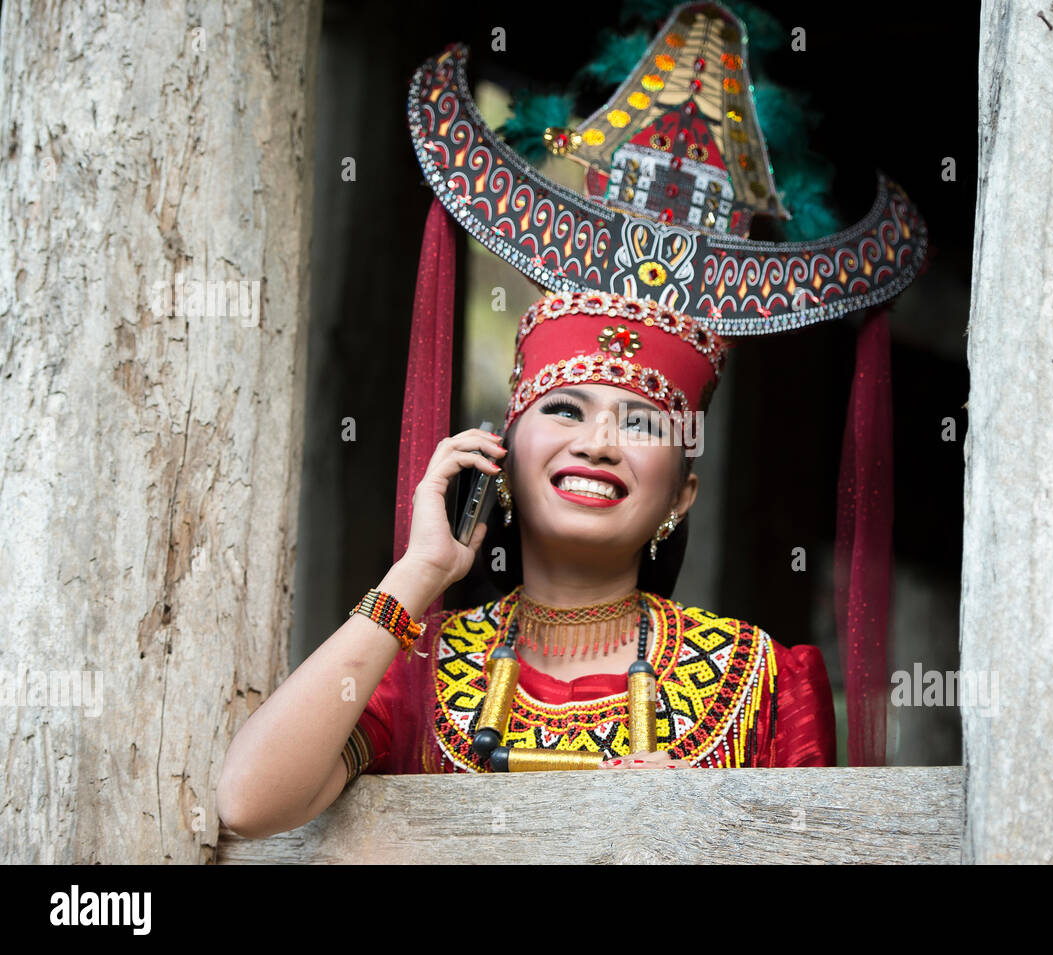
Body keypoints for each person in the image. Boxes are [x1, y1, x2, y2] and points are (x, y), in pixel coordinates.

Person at [217, 288, 836, 839]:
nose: (597, 443)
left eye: (642, 423)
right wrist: (421, 569)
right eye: (565, 410)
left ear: (680, 496)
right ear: (502, 459)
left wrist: (700, 829)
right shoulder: (418, 666)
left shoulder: (762, 680)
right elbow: (250, 803)